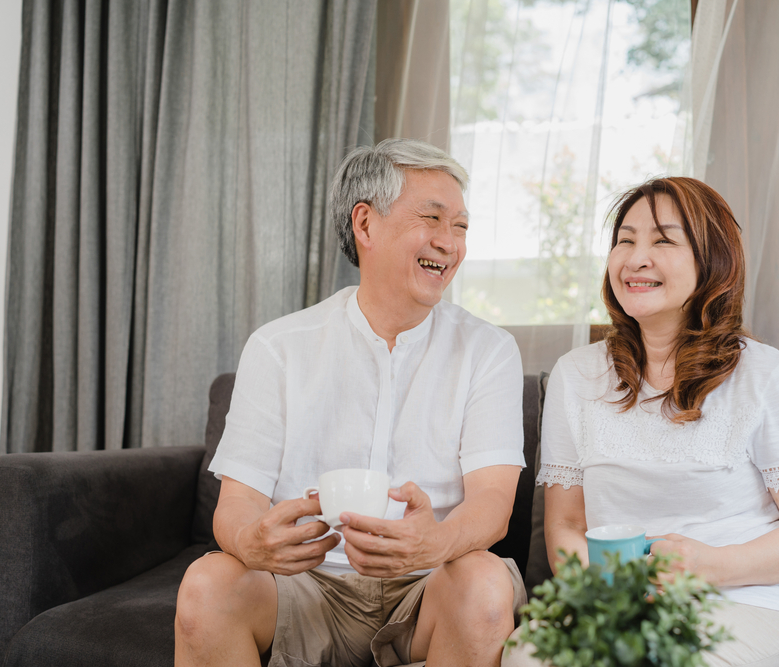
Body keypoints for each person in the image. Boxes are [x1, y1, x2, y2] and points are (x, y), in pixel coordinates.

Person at [174, 138, 528, 667]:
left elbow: (493, 503)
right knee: (207, 584)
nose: (449, 243)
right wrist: (254, 543)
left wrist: (434, 543)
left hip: (431, 586)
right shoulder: (278, 347)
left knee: (483, 581)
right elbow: (237, 506)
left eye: (460, 227)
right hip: (306, 587)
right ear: (365, 224)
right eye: (431, 218)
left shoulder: (489, 349)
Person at [506, 177, 779, 667]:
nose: (636, 258)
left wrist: (708, 567)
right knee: (526, 659)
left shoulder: (764, 374)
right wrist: (613, 590)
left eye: (663, 240)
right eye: (625, 240)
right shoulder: (576, 375)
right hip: (615, 602)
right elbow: (567, 525)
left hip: (751, 597)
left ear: (712, 262)